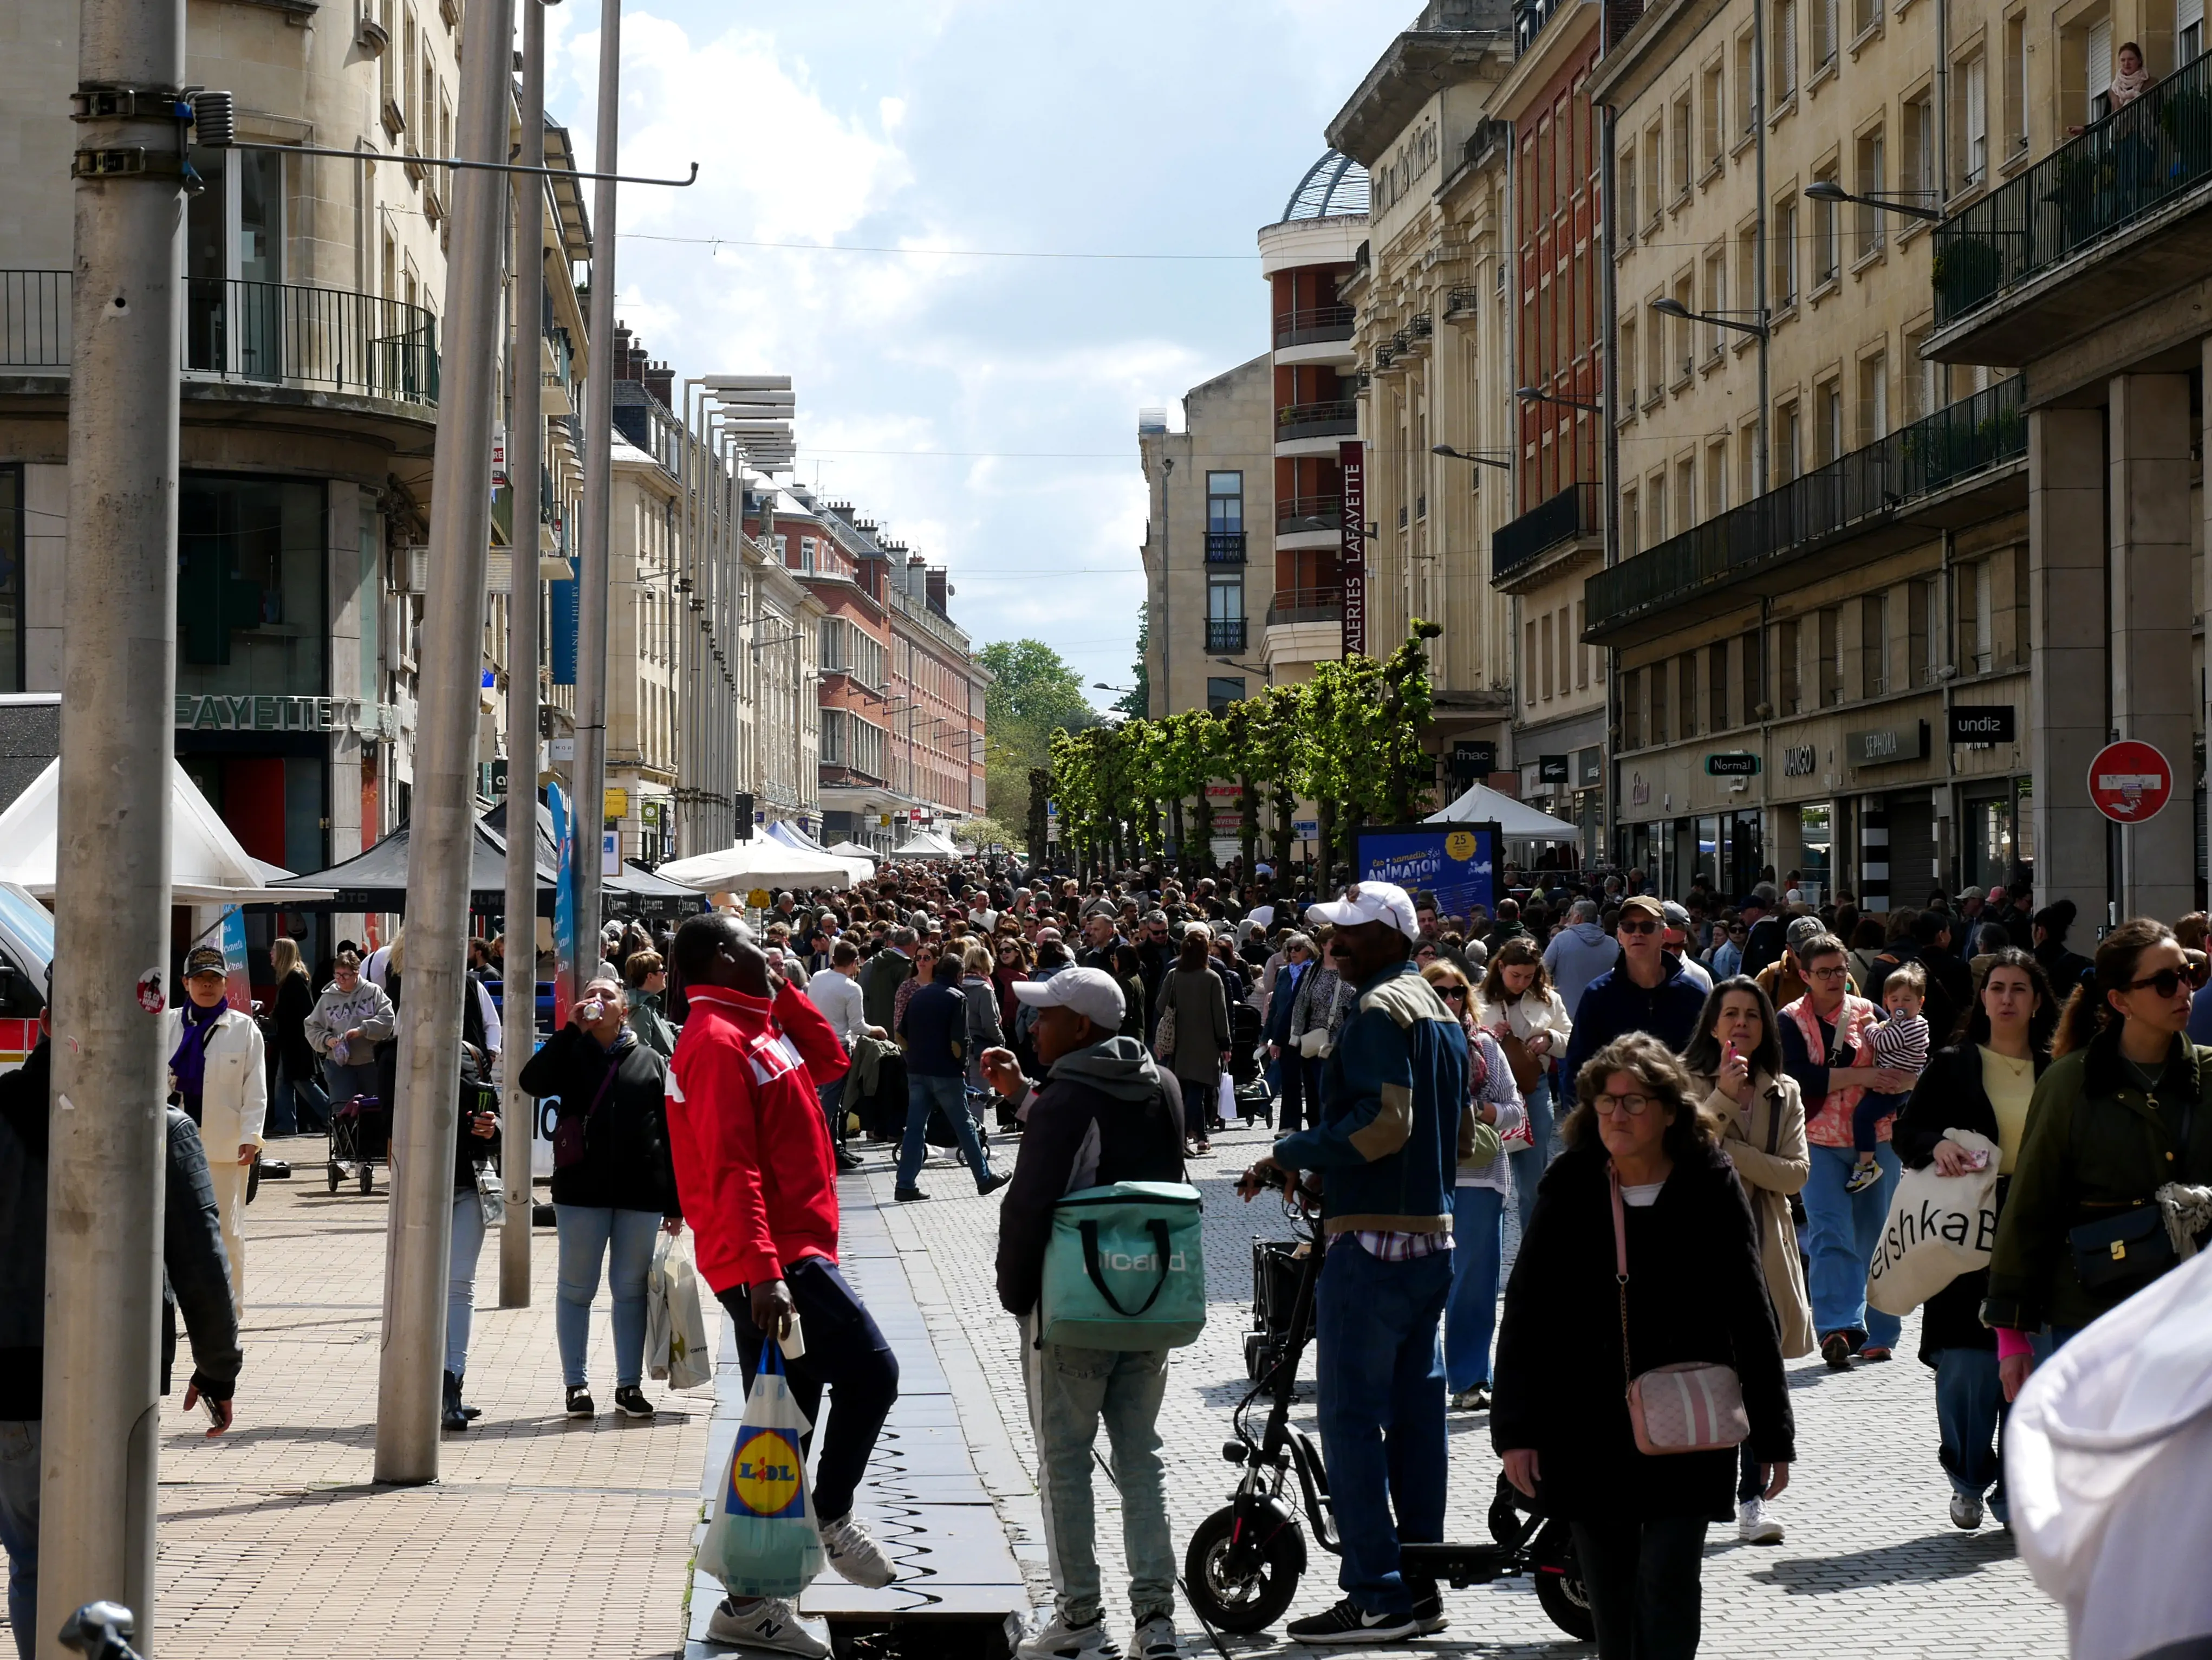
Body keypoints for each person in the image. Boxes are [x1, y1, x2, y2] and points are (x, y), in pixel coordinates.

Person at [1492, 1034, 1794, 1660]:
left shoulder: (1709, 1180)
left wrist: (1771, 1435)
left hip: (1688, 1422)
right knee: (1611, 1597)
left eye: (1633, 1101)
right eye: (1605, 1101)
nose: (1617, 1114)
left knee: (1669, 1581)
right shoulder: (1570, 1182)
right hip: (1586, 1427)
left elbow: (1750, 1309)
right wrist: (1515, 1431)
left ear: (1669, 1111)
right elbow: (1525, 1311)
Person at [1234, 881, 1467, 1643]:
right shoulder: (1436, 1007)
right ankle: (1420, 1585)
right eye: (1335, 930)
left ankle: (1376, 1594)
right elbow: (1459, 1131)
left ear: (1394, 938)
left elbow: (1383, 1126)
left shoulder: (1376, 1010)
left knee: (1349, 1418)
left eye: (1353, 930)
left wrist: (1293, 1150)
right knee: (1417, 1421)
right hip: (1430, 1237)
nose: (1336, 941)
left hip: (1371, 1243)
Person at [668, 912, 897, 1656]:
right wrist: (765, 1271)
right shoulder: (713, 1040)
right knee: (873, 1372)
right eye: (748, 944)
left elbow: (830, 1060)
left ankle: (747, 1604)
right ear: (717, 958)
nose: (766, 951)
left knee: (783, 1430)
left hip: (793, 1250)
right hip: (774, 1258)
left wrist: (788, 990)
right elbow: (729, 1164)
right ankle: (828, 1517)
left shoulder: (757, 1024)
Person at [1, 1001, 244, 1660]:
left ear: (45, 1022)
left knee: (32, 1556)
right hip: (116, 1382)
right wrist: (218, 1368)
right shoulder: (161, 1126)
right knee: (113, 1555)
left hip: (11, 1380)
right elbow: (201, 1260)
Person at [982, 969, 1187, 1660]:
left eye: (1046, 1015)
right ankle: (1155, 1618)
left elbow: (1029, 1204)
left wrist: (1016, 1297)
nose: (1032, 1025)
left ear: (1081, 1027)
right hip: (1148, 1300)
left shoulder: (1068, 1097)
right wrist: (1023, 1097)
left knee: (1064, 1459)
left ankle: (1079, 1618)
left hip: (1072, 1307)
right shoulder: (1162, 1084)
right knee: (1140, 1455)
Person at [1984, 918, 2212, 1401]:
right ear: (2120, 1001)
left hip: (2195, 1318)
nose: (2184, 990)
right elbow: (2031, 1205)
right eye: (2165, 981)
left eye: (2189, 974)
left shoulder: (2210, 1075)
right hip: (2094, 1318)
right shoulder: (2071, 1082)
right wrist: (2011, 1333)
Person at [1890, 948, 2057, 1532]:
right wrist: (1935, 1144)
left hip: (2038, 1229)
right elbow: (1907, 1130)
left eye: (2019, 989)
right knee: (1965, 1368)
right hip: (1966, 1228)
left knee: (2033, 1365)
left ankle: (2016, 1490)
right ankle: (1966, 1474)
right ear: (1982, 998)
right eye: (1997, 987)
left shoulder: (2059, 1067)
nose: (2006, 998)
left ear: (2037, 1001)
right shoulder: (1952, 1064)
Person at [1681, 977, 1812, 1545]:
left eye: (1752, 1015)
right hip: (1698, 1244)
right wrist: (1723, 1101)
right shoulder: (1684, 1081)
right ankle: (1695, 1494)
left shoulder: (1785, 1091)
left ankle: (1752, 1500)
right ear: (1713, 1025)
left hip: (1764, 1242)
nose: (1741, 1024)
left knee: (1760, 1372)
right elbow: (1682, 1153)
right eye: (1730, 1014)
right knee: (1708, 1371)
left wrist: (1727, 1150)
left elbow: (1796, 1174)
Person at [518, 976, 684, 1420]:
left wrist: (675, 1203)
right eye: (590, 994)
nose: (596, 1000)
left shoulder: (651, 1061)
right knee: (576, 1289)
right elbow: (531, 1081)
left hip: (640, 1194)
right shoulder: (571, 1052)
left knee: (630, 1291)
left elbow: (670, 1134)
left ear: (623, 1010)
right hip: (581, 1193)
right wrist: (570, 1032)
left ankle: (629, 1386)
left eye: (606, 995)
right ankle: (576, 1385)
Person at [1778, 932, 1917, 1370]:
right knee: (1830, 1233)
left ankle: (1880, 1333)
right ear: (1805, 975)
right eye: (1824, 972)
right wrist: (1864, 1075)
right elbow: (1799, 1077)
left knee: (1876, 1235)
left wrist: (1905, 1081)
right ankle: (1837, 1328)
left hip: (1876, 1140)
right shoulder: (1790, 1019)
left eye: (1840, 970)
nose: (1835, 978)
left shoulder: (1871, 1013)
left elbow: (1908, 1061)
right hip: (1817, 1141)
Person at [1426, 958, 1521, 1414]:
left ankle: (1469, 1377)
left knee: (1474, 1285)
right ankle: (1424, 1377)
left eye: (1457, 992)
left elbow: (1515, 1110)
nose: (1450, 1000)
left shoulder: (1485, 1045)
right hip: (1424, 1177)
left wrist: (1477, 1112)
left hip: (1480, 1177)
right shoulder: (1406, 1043)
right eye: (1440, 992)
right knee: (1423, 1282)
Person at [162, 944, 267, 1314]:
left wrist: (251, 1138)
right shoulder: (165, 1026)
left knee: (225, 1232)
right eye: (200, 979)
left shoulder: (244, 1029)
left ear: (225, 984)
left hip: (225, 1148)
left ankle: (228, 1312)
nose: (207, 986)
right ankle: (166, 1312)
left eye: (214, 979)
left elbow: (255, 1090)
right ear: (185, 983)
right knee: (167, 1230)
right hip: (170, 1146)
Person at [1475, 939, 1573, 1230]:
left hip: (1534, 1089)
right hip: (1490, 1094)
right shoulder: (1477, 998)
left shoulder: (1548, 999)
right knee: (1489, 1178)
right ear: (1501, 967)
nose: (1521, 983)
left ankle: (1532, 1244)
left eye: (1529, 976)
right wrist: (1487, 1036)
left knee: (1533, 1181)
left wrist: (1550, 1039)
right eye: (1515, 975)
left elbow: (1570, 1039)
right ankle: (1488, 1241)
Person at [1560, 896, 1708, 1083]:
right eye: (1629, 927)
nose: (1637, 933)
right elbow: (1578, 1068)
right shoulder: (1598, 995)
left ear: (1664, 934)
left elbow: (1708, 1060)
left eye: (1647, 927)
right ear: (1620, 936)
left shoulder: (1693, 994)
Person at [894, 953, 1005, 1202]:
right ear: (959, 975)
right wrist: (960, 1067)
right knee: (964, 1125)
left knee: (915, 1128)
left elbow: (901, 1036)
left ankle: (905, 1184)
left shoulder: (919, 994)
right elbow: (959, 1041)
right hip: (945, 1072)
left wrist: (912, 1061)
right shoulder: (957, 997)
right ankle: (984, 1178)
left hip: (918, 1070)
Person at [440, 1048, 503, 1430]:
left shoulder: (472, 1055)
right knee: (421, 1291)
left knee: (460, 1284)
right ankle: (428, 1385)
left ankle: (453, 1384)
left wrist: (492, 1129)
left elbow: (497, 1128)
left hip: (469, 1185)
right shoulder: (399, 1051)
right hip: (422, 1191)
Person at [1846, 962, 1930, 1194]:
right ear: (1886, 1001)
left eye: (1907, 999)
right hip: (1894, 1085)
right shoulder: (1899, 1023)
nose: (1900, 1005)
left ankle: (1866, 1164)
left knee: (1864, 1116)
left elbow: (1882, 1042)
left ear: (1920, 1003)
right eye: (1895, 999)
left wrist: (1870, 1025)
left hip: (1895, 1088)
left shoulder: (1912, 1026)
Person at [1159, 924, 1232, 1158]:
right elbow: (1220, 1014)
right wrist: (1225, 1044)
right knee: (1197, 1091)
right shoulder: (1212, 978)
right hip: (1206, 1043)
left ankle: (1197, 1137)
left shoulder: (1174, 975)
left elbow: (1160, 1005)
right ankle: (1192, 1137)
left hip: (1179, 1042)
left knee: (1186, 1090)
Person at [806, 938, 873, 1171]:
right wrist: (877, 1030)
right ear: (854, 962)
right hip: (837, 1046)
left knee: (829, 1099)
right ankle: (822, 1149)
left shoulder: (818, 977)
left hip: (815, 1044)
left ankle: (834, 1148)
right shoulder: (852, 988)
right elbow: (858, 1026)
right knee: (832, 1102)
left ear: (833, 959)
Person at [304, 948, 395, 1110]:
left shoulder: (373, 992)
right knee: (342, 1112)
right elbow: (312, 1027)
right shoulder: (327, 998)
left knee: (371, 1111)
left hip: (369, 1063)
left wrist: (363, 1030)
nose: (340, 979)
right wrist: (328, 1040)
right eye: (337, 974)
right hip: (339, 1066)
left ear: (356, 973)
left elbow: (388, 1018)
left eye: (345, 975)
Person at [267, 937, 328, 1135]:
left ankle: (332, 1116)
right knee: (284, 1082)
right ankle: (286, 1123)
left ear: (283, 954)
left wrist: (277, 1017)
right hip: (289, 1042)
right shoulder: (289, 977)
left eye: (274, 951)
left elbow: (304, 1011)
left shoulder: (295, 978)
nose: (271, 954)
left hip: (296, 1043)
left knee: (302, 1082)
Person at [1543, 898, 1616, 1017]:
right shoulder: (1612, 944)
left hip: (1567, 1012)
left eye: (1570, 915)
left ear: (1578, 918)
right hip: (1603, 1012)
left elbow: (1543, 970)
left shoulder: (1561, 939)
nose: (1568, 919)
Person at [861, 925, 916, 1033]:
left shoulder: (873, 961)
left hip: (875, 1026)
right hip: (897, 1030)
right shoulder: (907, 967)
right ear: (912, 945)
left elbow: (864, 994)